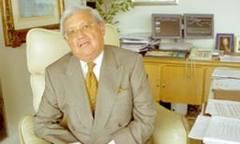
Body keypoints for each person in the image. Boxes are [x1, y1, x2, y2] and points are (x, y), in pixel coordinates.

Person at [34, 6, 156, 144]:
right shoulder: (55, 72)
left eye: (85, 26)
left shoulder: (131, 63)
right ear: (67, 40)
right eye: (72, 32)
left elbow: (146, 118)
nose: (80, 35)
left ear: (102, 29)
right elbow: (42, 124)